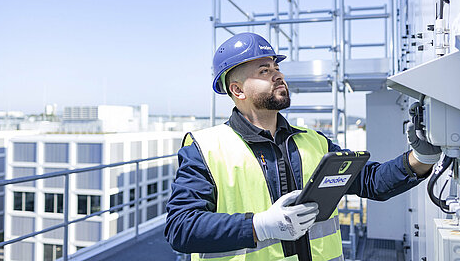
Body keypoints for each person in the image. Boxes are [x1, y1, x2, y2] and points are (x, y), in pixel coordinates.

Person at [164, 32, 441, 261]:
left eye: (276, 67)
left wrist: (422, 156)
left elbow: (370, 181)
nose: (277, 75)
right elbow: (181, 228)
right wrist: (259, 225)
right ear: (238, 91)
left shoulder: (314, 141)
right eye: (264, 70)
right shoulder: (205, 149)